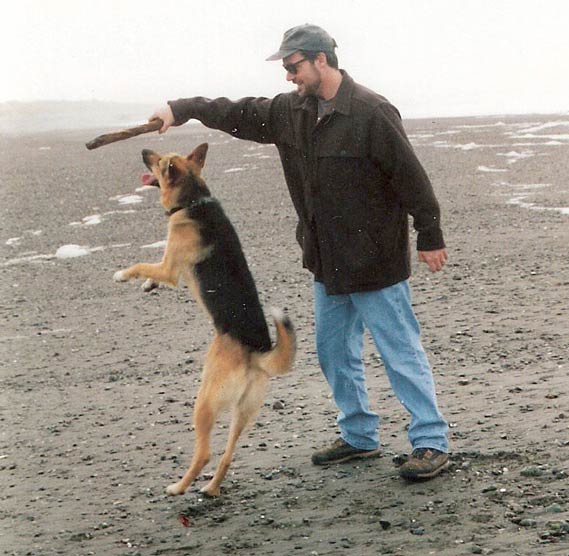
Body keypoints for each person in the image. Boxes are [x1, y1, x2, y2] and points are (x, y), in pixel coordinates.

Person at [149, 24, 450, 480]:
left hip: (375, 260)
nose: (289, 76)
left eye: (293, 66)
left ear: (320, 60)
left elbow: (411, 176)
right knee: (333, 353)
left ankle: (430, 442)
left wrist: (429, 233)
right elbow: (238, 112)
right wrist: (182, 109)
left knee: (399, 351)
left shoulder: (371, 112)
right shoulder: (290, 113)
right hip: (326, 260)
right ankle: (359, 436)